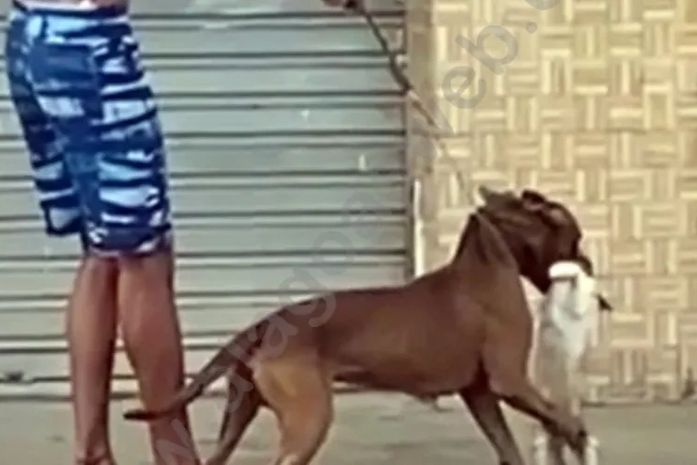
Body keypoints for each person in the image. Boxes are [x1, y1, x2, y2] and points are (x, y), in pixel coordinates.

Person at [4, 0, 200, 464]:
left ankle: (92, 451)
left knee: (102, 250)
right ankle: (175, 457)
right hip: (88, 47)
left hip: (31, 35)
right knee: (144, 257)